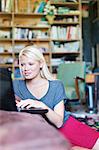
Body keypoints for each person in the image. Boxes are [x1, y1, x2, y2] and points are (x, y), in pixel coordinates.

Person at [13, 45, 99, 150]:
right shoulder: (15, 85)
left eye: (30, 64)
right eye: (22, 65)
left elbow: (59, 122)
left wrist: (41, 105)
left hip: (65, 126)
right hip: (40, 133)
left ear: (41, 64)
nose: (25, 68)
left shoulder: (56, 85)